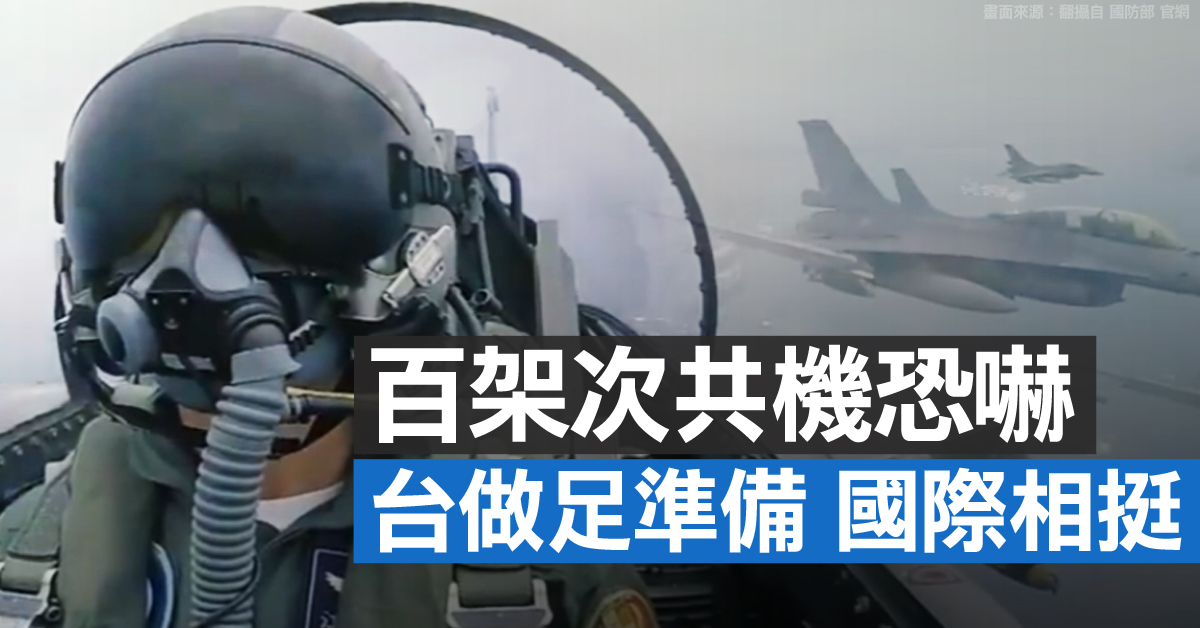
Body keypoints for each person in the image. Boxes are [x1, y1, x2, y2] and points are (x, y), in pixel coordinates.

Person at [0, 6, 658, 628]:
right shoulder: (32, 556)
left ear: (415, 254)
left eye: (284, 217)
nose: (190, 272)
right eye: (135, 220)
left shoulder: (547, 536)